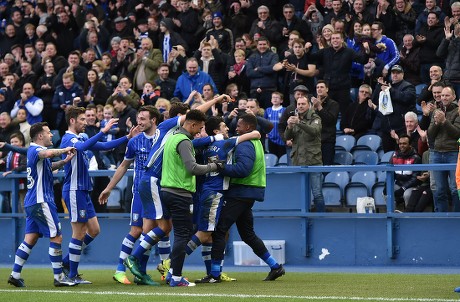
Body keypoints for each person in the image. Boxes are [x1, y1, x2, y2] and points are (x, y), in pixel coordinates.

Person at [124, 96, 228, 284]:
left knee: (157, 228)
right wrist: (217, 100)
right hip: (154, 179)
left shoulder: (172, 135)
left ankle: (141, 269)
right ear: (181, 118)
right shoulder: (170, 130)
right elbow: (194, 120)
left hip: (154, 181)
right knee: (163, 228)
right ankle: (134, 259)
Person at [60, 106, 139, 284]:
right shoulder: (68, 139)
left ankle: (67, 261)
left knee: (94, 230)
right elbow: (81, 148)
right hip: (73, 190)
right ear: (72, 120)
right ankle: (72, 274)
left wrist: (126, 138)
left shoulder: (82, 137)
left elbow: (102, 146)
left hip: (83, 190)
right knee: (78, 232)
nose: (85, 122)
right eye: (81, 119)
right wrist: (102, 131)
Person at [208, 114, 285, 283]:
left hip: (241, 192)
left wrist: (220, 168)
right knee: (247, 234)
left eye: (240, 126)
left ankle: (214, 274)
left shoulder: (245, 144)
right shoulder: (255, 141)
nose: (236, 128)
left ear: (248, 128)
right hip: (248, 193)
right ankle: (275, 266)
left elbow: (243, 170)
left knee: (220, 229)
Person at [186, 116, 261, 283]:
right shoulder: (224, 143)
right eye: (224, 126)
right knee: (205, 233)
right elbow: (253, 135)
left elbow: (191, 144)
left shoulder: (205, 146)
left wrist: (210, 137)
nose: (228, 128)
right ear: (217, 131)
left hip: (203, 191)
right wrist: (254, 132)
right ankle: (173, 262)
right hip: (214, 192)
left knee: (211, 233)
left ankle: (215, 272)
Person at [158, 109, 225, 287]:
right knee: (182, 235)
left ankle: (173, 273)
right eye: (199, 128)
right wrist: (213, 166)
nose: (200, 132)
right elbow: (192, 168)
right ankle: (177, 278)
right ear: (192, 124)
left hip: (167, 190)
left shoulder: (172, 136)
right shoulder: (184, 141)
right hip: (179, 192)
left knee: (181, 233)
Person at [99, 106, 163, 286]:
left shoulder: (163, 139)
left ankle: (141, 273)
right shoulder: (135, 142)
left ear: (154, 120)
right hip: (140, 192)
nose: (139, 123)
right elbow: (123, 166)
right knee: (137, 231)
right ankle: (120, 270)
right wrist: (109, 187)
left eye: (143, 119)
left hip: (158, 192)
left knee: (151, 232)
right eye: (138, 119)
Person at [7, 122, 77, 288]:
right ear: (40, 136)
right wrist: (65, 149)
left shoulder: (35, 152)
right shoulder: (37, 150)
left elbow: (49, 165)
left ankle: (15, 274)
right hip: (41, 200)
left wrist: (64, 161)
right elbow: (48, 154)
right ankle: (59, 277)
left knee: (30, 238)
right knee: (57, 236)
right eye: (48, 132)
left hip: (32, 202)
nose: (51, 135)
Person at [285, 95, 325, 212]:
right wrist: (289, 126)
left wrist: (299, 122)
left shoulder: (315, 118)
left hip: (313, 162)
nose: (300, 106)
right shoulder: (294, 118)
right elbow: (287, 137)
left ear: (309, 105)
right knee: (300, 193)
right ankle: (302, 218)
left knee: (317, 193)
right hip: (298, 162)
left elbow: (314, 131)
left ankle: (322, 218)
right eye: (298, 104)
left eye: (303, 104)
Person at [427, 86, 460, 212]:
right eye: (442, 95)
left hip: (453, 153)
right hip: (436, 153)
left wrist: (444, 121)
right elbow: (430, 134)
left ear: (454, 97)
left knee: (454, 188)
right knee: (439, 190)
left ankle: (457, 217)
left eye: (447, 95)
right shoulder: (436, 112)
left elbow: (457, 133)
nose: (444, 98)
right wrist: (436, 123)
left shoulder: (458, 111)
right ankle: (442, 217)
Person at [388, 134, 422, 207]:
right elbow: (390, 172)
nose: (402, 146)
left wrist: (403, 188)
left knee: (407, 195)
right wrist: (387, 184)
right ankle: (393, 214)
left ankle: (407, 216)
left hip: (411, 186)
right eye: (400, 144)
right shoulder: (394, 156)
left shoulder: (416, 157)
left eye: (404, 143)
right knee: (387, 192)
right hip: (398, 183)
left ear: (410, 145)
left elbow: (415, 178)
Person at [311, 80, 339, 166]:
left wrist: (319, 107)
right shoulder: (312, 105)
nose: (319, 89)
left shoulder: (334, 104)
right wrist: (312, 108)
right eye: (317, 87)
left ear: (327, 89)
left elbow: (330, 120)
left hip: (327, 141)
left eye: (322, 87)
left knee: (326, 167)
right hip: (314, 141)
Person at [264, 92, 286, 158]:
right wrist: (266, 132)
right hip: (271, 137)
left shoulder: (284, 110)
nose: (275, 99)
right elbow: (264, 122)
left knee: (282, 156)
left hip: (281, 137)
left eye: (277, 97)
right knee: (271, 156)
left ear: (281, 100)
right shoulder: (268, 110)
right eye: (273, 97)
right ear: (271, 100)